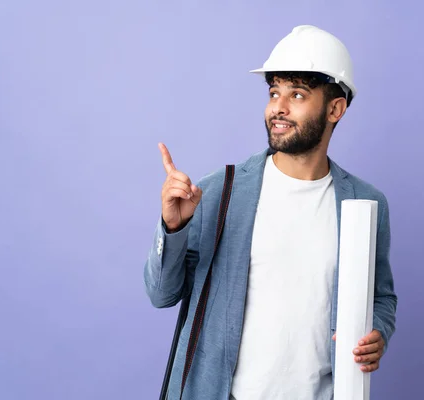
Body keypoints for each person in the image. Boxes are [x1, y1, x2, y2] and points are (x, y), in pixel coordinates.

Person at [144, 25, 397, 400]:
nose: (278, 107)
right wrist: (173, 227)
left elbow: (381, 297)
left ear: (335, 109)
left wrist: (376, 331)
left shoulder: (363, 203)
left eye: (297, 94)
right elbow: (162, 294)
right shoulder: (220, 191)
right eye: (274, 92)